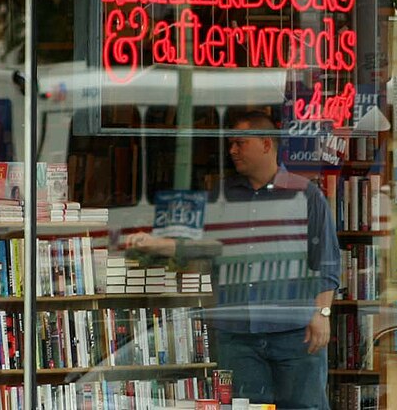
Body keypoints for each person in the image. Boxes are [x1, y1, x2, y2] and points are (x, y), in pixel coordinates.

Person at [126, 110, 341, 410]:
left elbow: (327, 262)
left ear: (266, 144)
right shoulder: (221, 196)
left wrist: (323, 314)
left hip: (295, 333)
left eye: (239, 143)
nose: (232, 150)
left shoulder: (306, 195)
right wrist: (154, 243)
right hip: (238, 335)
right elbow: (198, 243)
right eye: (231, 144)